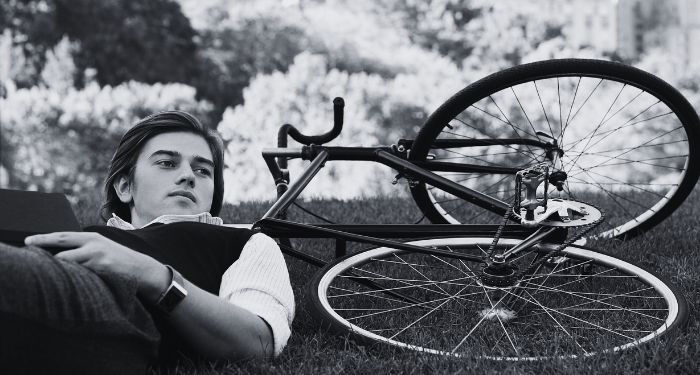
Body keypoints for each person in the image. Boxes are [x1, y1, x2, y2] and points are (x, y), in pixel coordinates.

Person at [0, 111, 295, 374]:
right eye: (167, 163)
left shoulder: (245, 242)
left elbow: (259, 341)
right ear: (126, 186)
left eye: (203, 170)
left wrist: (153, 275)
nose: (188, 177)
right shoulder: (89, 232)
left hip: (114, 307)